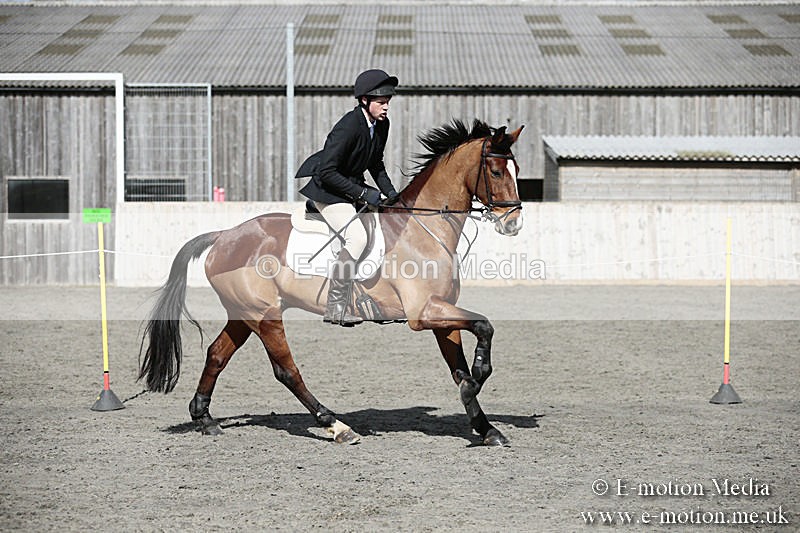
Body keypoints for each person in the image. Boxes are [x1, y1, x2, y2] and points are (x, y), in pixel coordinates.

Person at [296, 69, 400, 326]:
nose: (386, 107)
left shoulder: (381, 124)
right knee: (357, 237)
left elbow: (376, 164)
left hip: (349, 188)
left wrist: (393, 195)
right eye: (381, 102)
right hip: (328, 191)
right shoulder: (348, 126)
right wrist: (364, 193)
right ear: (365, 101)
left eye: (388, 102)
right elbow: (327, 171)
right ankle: (336, 305)